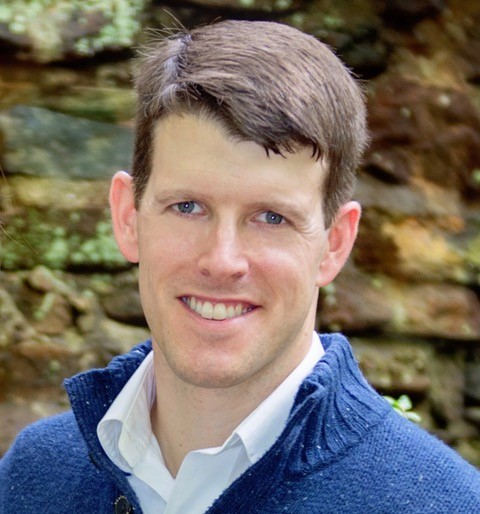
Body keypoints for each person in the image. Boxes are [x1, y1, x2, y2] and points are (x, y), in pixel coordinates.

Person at [1, 19, 479, 514]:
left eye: (271, 217)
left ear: (335, 244)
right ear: (127, 217)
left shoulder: (441, 504)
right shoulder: (34, 476)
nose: (222, 261)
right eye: (187, 206)